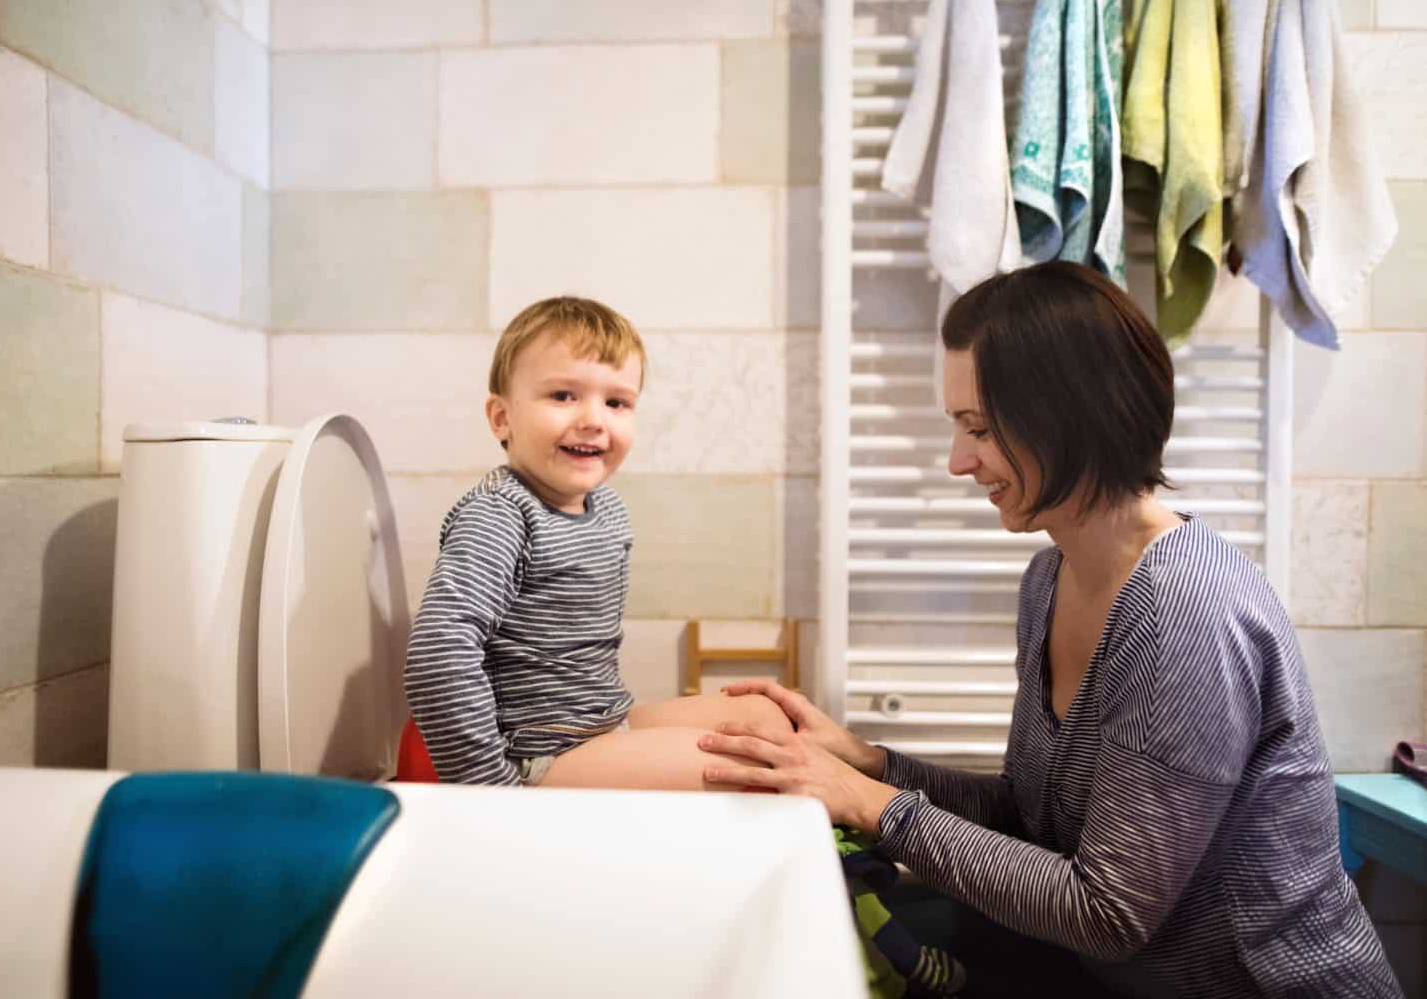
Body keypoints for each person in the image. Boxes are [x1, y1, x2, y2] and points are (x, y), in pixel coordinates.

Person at [699, 262, 1402, 998]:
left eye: (979, 428)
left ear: (1067, 415)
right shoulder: (1050, 579)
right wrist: (872, 764)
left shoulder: (1185, 613)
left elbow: (1107, 911)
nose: (957, 462)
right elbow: (1035, 822)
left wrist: (869, 804)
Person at [404, 295, 789, 789]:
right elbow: (439, 650)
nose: (593, 419)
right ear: (501, 418)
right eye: (563, 395)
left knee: (768, 718)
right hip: (534, 753)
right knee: (754, 769)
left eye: (616, 402)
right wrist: (489, 790)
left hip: (600, 724)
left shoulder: (606, 509)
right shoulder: (501, 515)